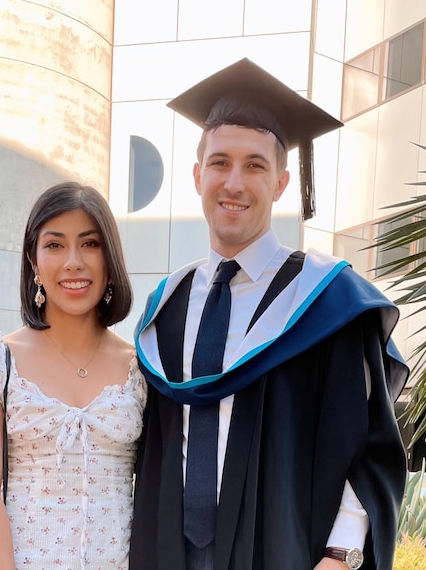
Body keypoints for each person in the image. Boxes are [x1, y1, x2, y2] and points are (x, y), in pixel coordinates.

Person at [130, 58, 409, 570]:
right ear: (197, 176)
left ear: (281, 181)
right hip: (170, 551)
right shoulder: (166, 306)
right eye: (220, 163)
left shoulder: (328, 302)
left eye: (254, 165)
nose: (234, 182)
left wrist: (340, 552)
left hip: (288, 549)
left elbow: (371, 439)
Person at [0, 181, 145, 570]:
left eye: (90, 244)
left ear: (110, 257)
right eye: (55, 245)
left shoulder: (141, 367)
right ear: (33, 260)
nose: (73, 261)